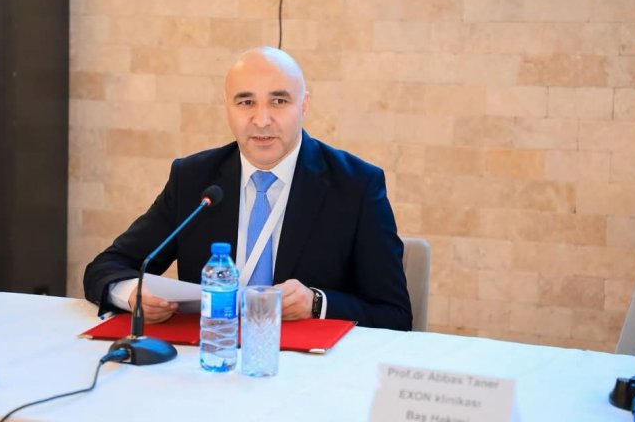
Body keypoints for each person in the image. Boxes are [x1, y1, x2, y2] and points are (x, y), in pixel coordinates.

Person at [83, 46, 412, 331]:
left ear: (304, 105)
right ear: (227, 107)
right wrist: (132, 294)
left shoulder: (356, 186)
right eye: (245, 102)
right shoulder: (194, 179)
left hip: (306, 370)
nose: (262, 119)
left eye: (279, 101)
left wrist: (317, 303)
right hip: (212, 359)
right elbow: (107, 268)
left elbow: (395, 315)